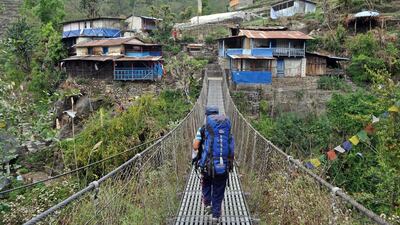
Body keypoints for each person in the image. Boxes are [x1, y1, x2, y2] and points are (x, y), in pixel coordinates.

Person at [192, 106, 234, 223]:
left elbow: (195, 146)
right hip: (223, 166)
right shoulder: (226, 130)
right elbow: (231, 148)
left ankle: (207, 203)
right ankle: (216, 215)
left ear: (206, 116)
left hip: (207, 166)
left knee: (206, 184)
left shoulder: (203, 129)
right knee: (219, 189)